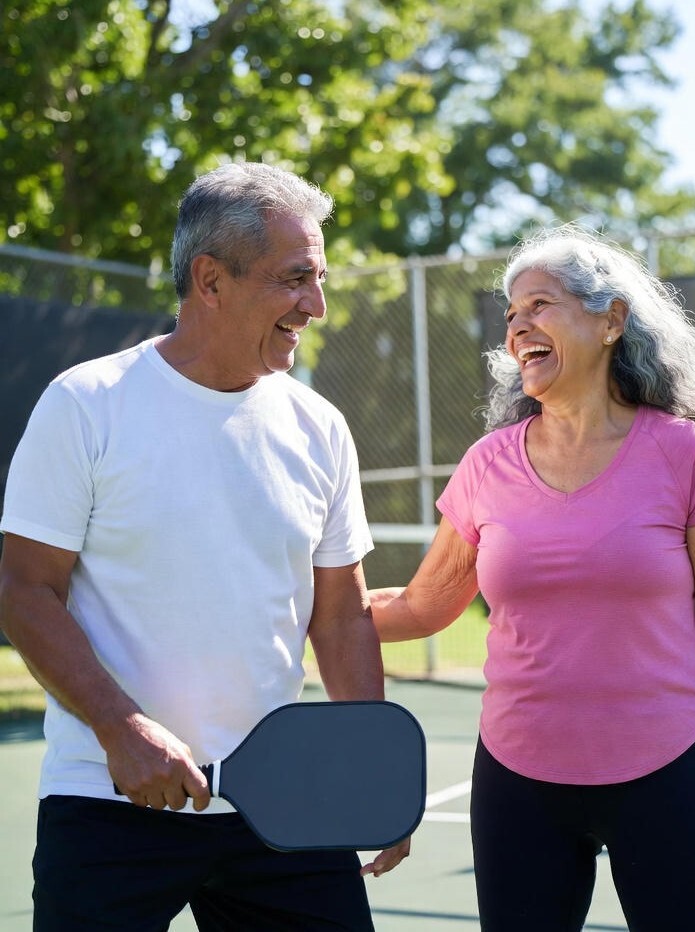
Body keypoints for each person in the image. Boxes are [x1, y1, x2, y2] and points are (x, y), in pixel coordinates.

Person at [0, 161, 408, 932]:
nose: (316, 306)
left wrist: (370, 771)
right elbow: (25, 591)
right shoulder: (85, 405)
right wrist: (121, 729)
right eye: (295, 279)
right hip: (107, 801)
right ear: (211, 280)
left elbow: (341, 615)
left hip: (281, 808)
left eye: (319, 280)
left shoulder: (320, 428)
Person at [370, 225, 695, 931]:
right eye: (511, 314)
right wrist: (294, 604)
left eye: (540, 305)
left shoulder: (688, 456)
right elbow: (421, 606)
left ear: (611, 320)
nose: (517, 325)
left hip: (671, 772)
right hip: (517, 781)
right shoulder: (487, 464)